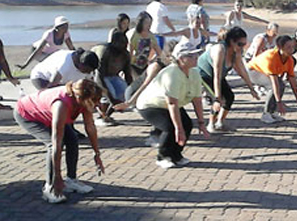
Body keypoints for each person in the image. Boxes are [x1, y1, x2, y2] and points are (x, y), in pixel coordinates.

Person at [13, 79, 105, 204]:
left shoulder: (85, 99)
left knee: (72, 139)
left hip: (49, 113)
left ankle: (71, 180)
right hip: (28, 115)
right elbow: (56, 141)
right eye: (94, 101)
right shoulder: (61, 104)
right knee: (54, 145)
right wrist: (57, 177)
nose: (97, 104)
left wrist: (96, 153)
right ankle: (50, 187)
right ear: (79, 98)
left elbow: (90, 126)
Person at [136, 41, 210, 169]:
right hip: (150, 105)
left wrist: (201, 122)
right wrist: (178, 128)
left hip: (170, 104)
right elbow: (172, 103)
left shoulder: (194, 73)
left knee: (187, 124)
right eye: (192, 56)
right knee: (170, 127)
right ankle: (162, 156)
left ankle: (176, 155)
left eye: (196, 55)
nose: (196, 58)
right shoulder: (172, 74)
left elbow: (197, 100)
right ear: (181, 58)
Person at [197, 26, 259, 132]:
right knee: (219, 99)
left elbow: (242, 71)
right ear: (231, 41)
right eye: (240, 44)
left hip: (218, 76)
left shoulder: (236, 53)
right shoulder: (220, 50)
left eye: (244, 44)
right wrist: (217, 97)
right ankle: (211, 124)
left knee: (229, 97)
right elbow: (216, 75)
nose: (242, 47)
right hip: (204, 74)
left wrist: (251, 88)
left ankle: (220, 122)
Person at [247, 35, 297, 124]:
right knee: (276, 86)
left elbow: (292, 79)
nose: (291, 50)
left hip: (264, 72)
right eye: (288, 47)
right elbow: (274, 82)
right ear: (280, 48)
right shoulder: (271, 57)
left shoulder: (289, 59)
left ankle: (272, 112)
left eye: (292, 47)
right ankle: (266, 114)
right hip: (253, 71)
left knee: (281, 85)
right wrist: (279, 102)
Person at [92, 32, 133, 125]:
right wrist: (111, 98)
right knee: (109, 94)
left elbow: (128, 74)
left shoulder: (125, 55)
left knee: (124, 91)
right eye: (121, 44)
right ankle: (101, 117)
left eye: (125, 44)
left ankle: (108, 115)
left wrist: (131, 93)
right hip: (99, 75)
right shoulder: (105, 52)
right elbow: (99, 77)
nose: (123, 47)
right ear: (114, 43)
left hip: (114, 76)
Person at [29, 48, 98, 90]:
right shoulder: (65, 65)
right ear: (81, 64)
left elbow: (90, 84)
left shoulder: (87, 65)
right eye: (86, 71)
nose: (88, 73)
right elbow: (51, 86)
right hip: (42, 78)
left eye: (90, 71)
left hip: (62, 82)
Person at [129, 11, 162, 78]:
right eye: (146, 23)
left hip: (145, 65)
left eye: (150, 23)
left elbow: (159, 53)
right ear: (140, 23)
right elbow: (130, 52)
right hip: (133, 66)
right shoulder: (134, 35)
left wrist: (152, 60)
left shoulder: (151, 36)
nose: (149, 25)